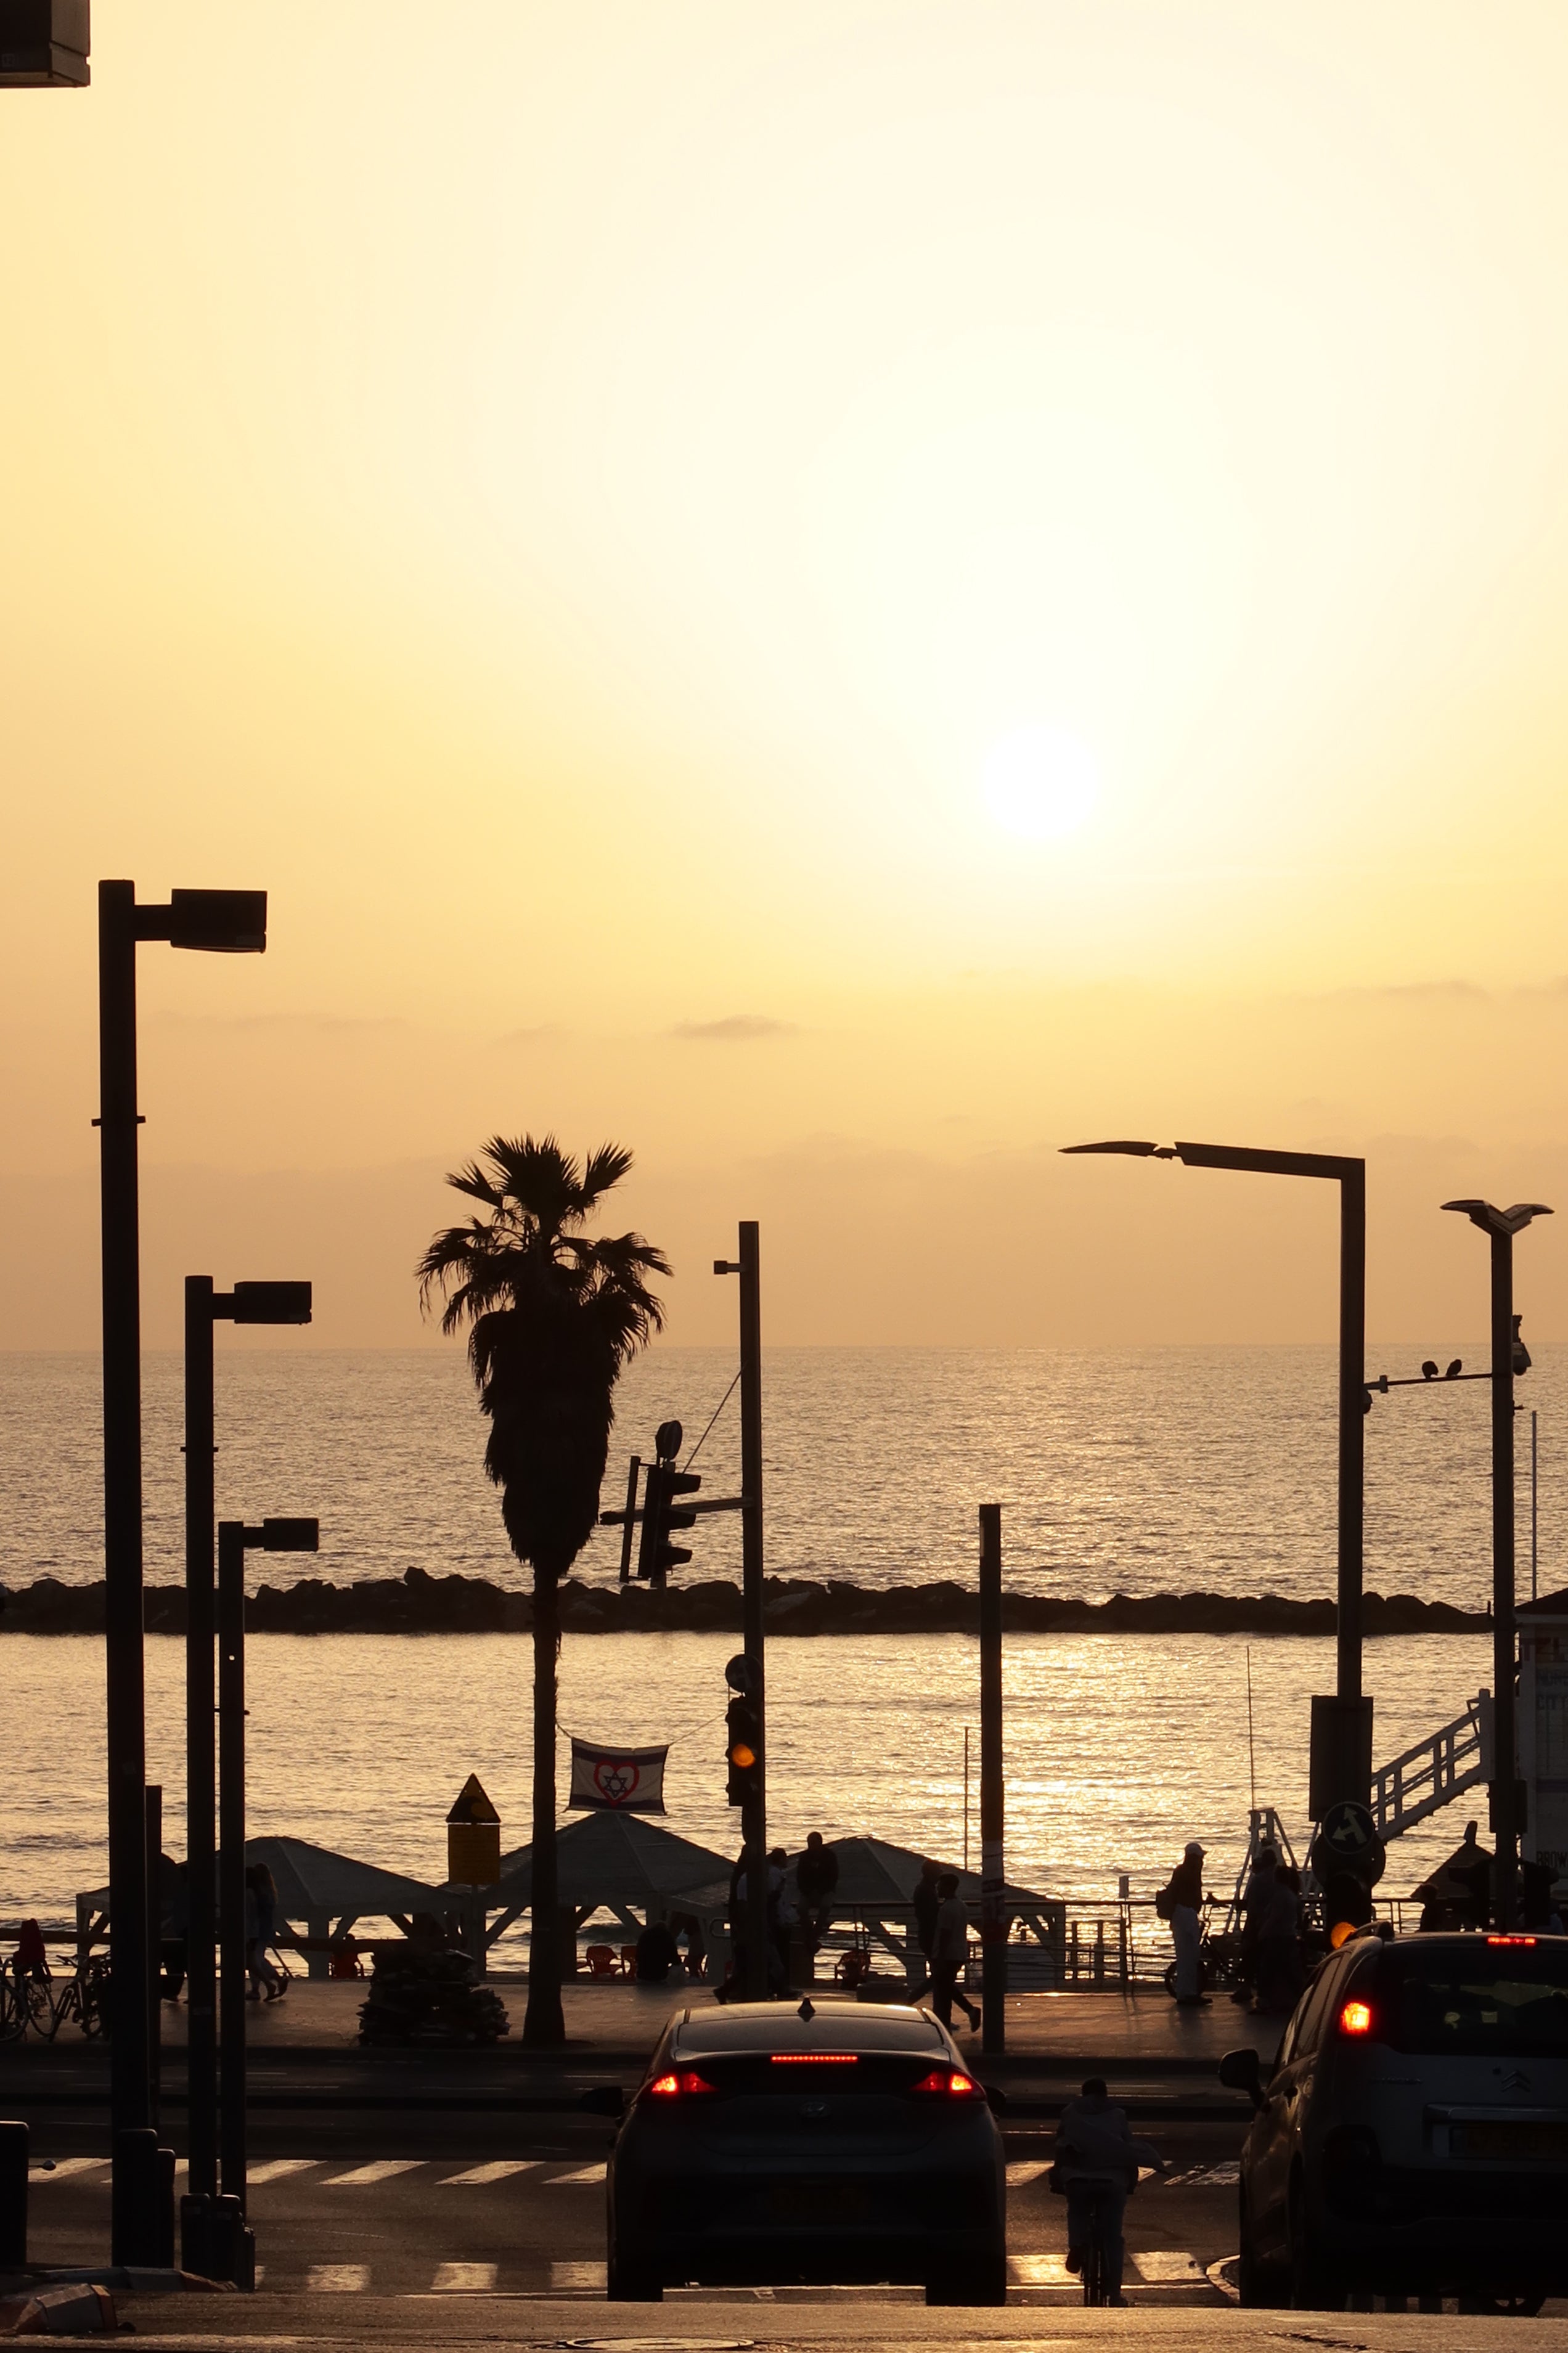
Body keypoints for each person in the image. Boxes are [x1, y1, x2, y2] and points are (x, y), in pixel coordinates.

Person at [1053, 2076, 1162, 2306]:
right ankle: (1115, 2294)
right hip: (1112, 2181)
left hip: (1077, 2179)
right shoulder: (1117, 2114)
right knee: (1113, 2236)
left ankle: (1078, 2244)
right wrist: (1131, 2181)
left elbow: (1061, 2147)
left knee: (1077, 2212)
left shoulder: (1069, 2113)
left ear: (1083, 2094)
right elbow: (1127, 2149)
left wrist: (1057, 2177)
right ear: (1105, 2094)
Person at [929, 1872, 979, 2031]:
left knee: (944, 1987)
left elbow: (945, 1935)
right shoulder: (962, 1906)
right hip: (959, 1953)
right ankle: (947, 2021)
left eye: (940, 1886)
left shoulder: (946, 1909)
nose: (938, 1888)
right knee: (946, 1988)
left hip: (948, 1955)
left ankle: (969, 2010)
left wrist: (940, 1957)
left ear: (948, 1887)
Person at [1253, 1864, 1304, 2014]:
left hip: (1278, 1937)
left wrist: (1263, 1932)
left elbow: (1274, 1917)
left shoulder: (1280, 1896)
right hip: (1288, 1936)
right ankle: (1298, 1997)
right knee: (1289, 1970)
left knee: (1267, 1969)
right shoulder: (1290, 1895)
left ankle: (1265, 2000)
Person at [1232, 1843, 1278, 2005]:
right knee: (1266, 1957)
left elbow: (1252, 1905)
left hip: (1256, 1922)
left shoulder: (1258, 1880)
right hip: (1272, 1923)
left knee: (1250, 1955)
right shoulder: (1278, 1879)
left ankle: (1246, 1988)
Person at [1165, 1841, 1208, 2006]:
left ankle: (1186, 1992)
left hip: (1181, 1914)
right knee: (1189, 1955)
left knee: (1186, 1955)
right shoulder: (1190, 1872)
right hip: (1186, 1913)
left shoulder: (1181, 1871)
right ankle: (1188, 1993)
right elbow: (1194, 1893)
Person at [245, 1862, 285, 2001]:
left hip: (257, 1931)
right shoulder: (270, 1892)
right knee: (258, 1959)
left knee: (254, 1961)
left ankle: (257, 1989)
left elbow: (252, 1915)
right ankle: (276, 1979)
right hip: (266, 1930)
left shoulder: (257, 1893)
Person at [796, 1832, 839, 1955]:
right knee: (801, 1909)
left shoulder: (830, 1856)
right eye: (809, 1843)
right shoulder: (804, 1857)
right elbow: (800, 1877)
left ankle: (813, 1936)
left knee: (825, 1907)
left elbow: (833, 1877)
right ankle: (812, 1935)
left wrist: (821, 1891)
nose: (811, 1846)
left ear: (820, 1843)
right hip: (808, 1892)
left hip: (826, 1891)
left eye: (813, 1843)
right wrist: (809, 1892)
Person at [910, 1859, 943, 1994]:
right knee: (939, 1973)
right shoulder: (926, 1890)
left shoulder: (926, 1889)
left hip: (927, 1934)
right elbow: (929, 1916)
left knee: (938, 1971)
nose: (940, 1875)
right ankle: (913, 1997)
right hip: (930, 1935)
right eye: (938, 1872)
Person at [634, 1914, 680, 1983]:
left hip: (642, 1975)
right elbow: (674, 1957)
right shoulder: (667, 1936)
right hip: (660, 1975)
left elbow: (638, 1956)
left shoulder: (645, 1935)